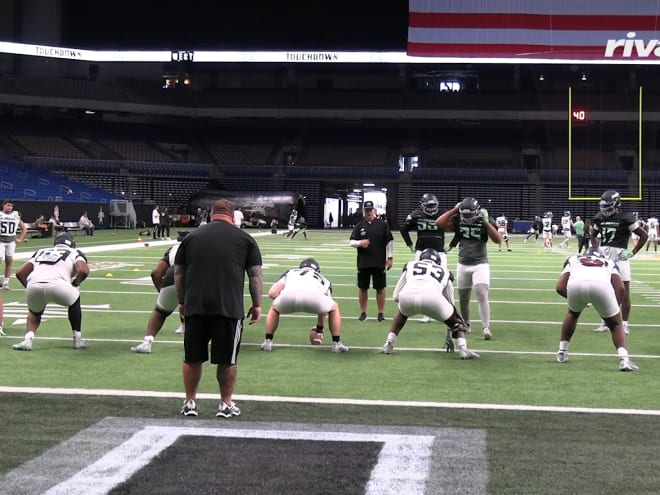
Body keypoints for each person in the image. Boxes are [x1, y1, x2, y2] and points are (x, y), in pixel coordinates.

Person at [174, 198, 263, 418]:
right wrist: (257, 304)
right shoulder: (245, 239)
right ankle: (225, 403)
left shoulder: (191, 238)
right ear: (232, 216)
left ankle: (190, 402)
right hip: (228, 308)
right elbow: (255, 275)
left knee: (192, 358)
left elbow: (178, 273)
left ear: (210, 214)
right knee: (227, 359)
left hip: (196, 306)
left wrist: (182, 301)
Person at [382, 248, 479, 359]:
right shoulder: (445, 271)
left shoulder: (410, 265)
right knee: (456, 320)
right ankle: (463, 348)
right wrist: (449, 333)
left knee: (401, 313)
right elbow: (450, 302)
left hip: (407, 297)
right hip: (433, 299)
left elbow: (395, 296)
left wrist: (408, 303)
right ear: (437, 261)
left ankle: (389, 343)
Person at [555, 247, 638, 371]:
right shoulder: (608, 262)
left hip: (576, 285)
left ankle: (562, 352)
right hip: (601, 285)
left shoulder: (574, 259)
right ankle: (624, 360)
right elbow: (620, 288)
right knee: (616, 324)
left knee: (573, 313)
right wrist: (614, 308)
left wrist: (576, 300)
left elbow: (560, 287)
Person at [436, 197, 501, 340]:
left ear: (477, 212)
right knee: (463, 298)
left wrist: (485, 223)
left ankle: (486, 327)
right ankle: (466, 324)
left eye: (469, 215)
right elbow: (439, 222)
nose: (466, 217)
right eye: (463, 214)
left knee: (481, 293)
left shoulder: (484, 220)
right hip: (463, 263)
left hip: (480, 263)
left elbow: (498, 239)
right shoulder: (458, 219)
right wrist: (454, 209)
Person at [11, 233, 89, 351]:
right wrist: (75, 283)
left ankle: (28, 340)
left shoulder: (41, 251)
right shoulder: (75, 252)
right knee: (75, 297)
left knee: (34, 312)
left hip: (35, 285)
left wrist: (31, 287)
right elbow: (83, 270)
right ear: (72, 244)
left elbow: (20, 273)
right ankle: (77, 339)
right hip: (60, 286)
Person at [260, 258, 349, 353]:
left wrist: (283, 299)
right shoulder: (323, 279)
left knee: (274, 308)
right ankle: (336, 344)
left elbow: (272, 293)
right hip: (314, 298)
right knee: (334, 307)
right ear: (317, 270)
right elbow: (325, 308)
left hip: (288, 296)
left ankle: (267, 342)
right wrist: (319, 328)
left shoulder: (291, 272)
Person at [591, 190, 647, 335]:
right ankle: (605, 322)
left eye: (608, 206)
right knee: (604, 291)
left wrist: (632, 252)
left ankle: (625, 324)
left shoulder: (626, 217)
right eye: (603, 206)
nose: (605, 209)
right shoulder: (599, 217)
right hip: (604, 256)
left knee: (624, 292)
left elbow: (644, 235)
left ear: (616, 204)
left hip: (620, 256)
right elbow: (593, 235)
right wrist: (595, 250)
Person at [399, 193, 451, 323]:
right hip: (421, 251)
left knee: (443, 281)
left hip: (439, 251)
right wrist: (409, 244)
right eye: (429, 205)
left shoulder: (443, 214)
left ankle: (447, 309)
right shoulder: (416, 215)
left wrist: (452, 244)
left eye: (433, 205)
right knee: (420, 280)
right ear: (422, 205)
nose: (432, 208)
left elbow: (459, 229)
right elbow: (404, 229)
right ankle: (427, 313)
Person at [131, 243, 185, 354]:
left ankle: (147, 342)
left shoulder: (174, 248)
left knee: (160, 311)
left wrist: (162, 293)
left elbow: (156, 273)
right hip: (201, 276)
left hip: (174, 275)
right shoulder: (207, 244)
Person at [349, 200, 394, 322]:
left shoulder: (382, 225)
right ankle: (363, 312)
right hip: (364, 262)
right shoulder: (359, 226)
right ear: (364, 210)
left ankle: (381, 313)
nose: (369, 212)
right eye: (367, 210)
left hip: (379, 262)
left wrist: (390, 257)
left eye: (370, 210)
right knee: (363, 288)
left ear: (374, 210)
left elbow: (389, 241)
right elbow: (351, 242)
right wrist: (360, 243)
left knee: (380, 288)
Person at [1, 199, 28, 290]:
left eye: (11, 206)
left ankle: (6, 283)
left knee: (9, 261)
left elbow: (24, 228)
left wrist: (20, 238)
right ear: (3, 205)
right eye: (8, 205)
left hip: (11, 241)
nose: (10, 207)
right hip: (0, 240)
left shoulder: (15, 215)